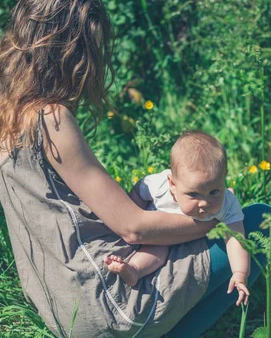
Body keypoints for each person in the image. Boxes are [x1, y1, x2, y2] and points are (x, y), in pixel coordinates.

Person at [0, 0, 271, 338]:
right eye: (92, 48)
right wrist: (222, 220)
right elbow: (133, 227)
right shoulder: (50, 117)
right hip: (104, 305)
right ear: (69, 51)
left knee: (181, 228)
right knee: (261, 220)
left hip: (56, 307)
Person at [105, 131, 251, 307]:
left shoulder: (227, 203)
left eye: (214, 192)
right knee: (157, 251)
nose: (204, 203)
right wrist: (137, 209)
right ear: (173, 184)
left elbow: (236, 238)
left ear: (224, 178)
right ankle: (134, 270)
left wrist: (240, 272)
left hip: (194, 242)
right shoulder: (159, 186)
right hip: (159, 233)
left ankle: (136, 270)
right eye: (193, 194)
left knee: (166, 252)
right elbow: (139, 191)